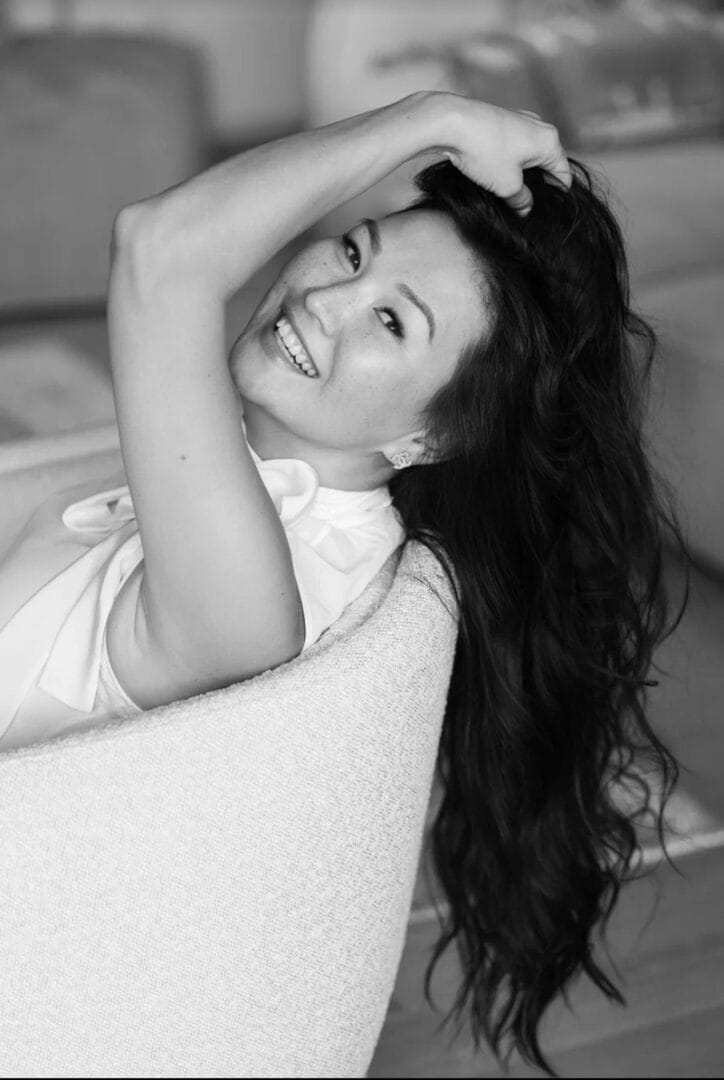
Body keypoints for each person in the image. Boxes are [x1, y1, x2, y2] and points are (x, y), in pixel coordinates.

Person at [0, 91, 688, 1073]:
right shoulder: (271, 495)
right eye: (354, 251)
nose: (323, 300)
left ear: (435, 436)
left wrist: (431, 117)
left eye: (391, 321)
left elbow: (162, 251)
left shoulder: (254, 584)